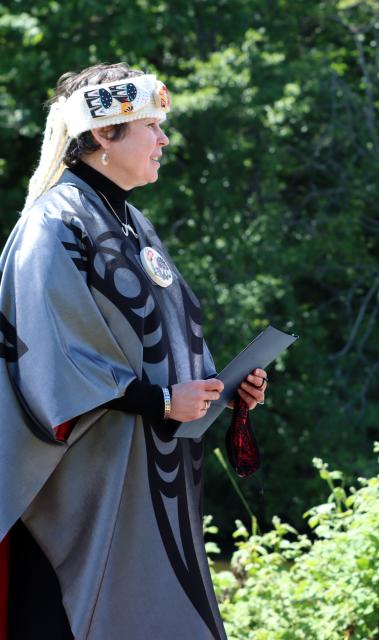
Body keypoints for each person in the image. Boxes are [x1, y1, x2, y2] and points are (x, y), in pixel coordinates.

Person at [0, 63, 269, 639]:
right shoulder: (53, 222)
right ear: (102, 134)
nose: (164, 140)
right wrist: (160, 399)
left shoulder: (132, 223)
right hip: (81, 489)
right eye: (151, 125)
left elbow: (162, 338)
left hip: (150, 474)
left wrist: (221, 389)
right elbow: (49, 355)